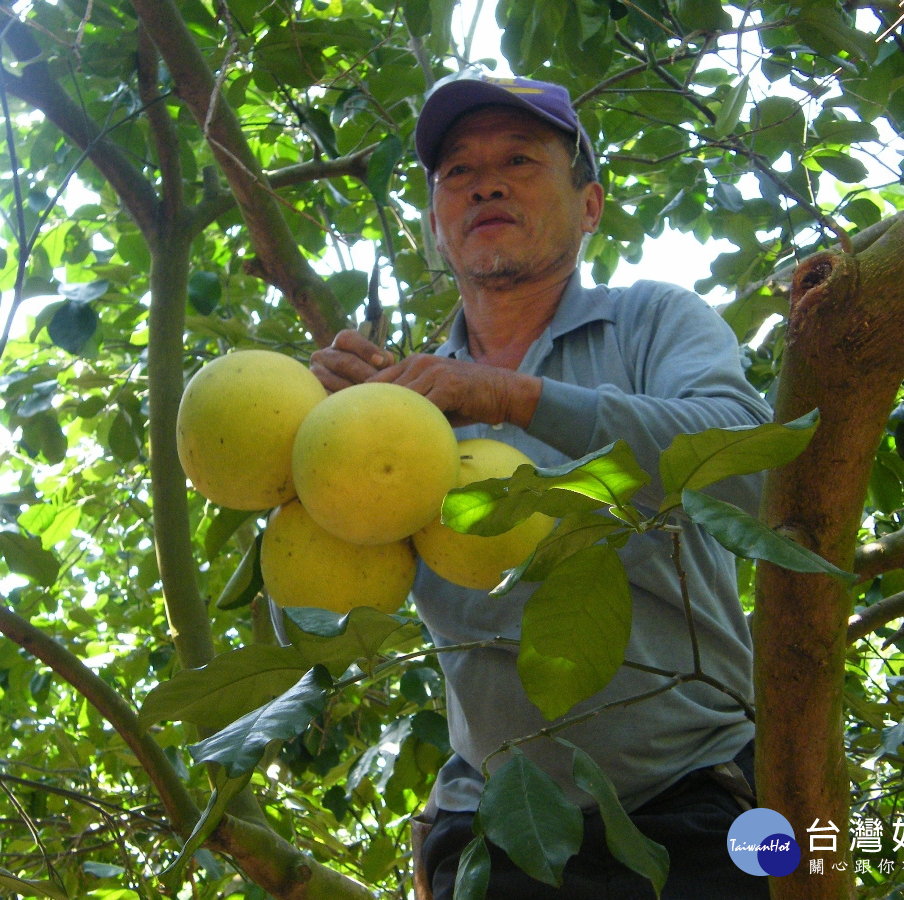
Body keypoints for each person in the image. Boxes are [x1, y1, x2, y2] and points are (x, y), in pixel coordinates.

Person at [309, 71, 774, 900]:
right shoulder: (399, 413)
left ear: (589, 205)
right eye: (458, 171)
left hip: (698, 804)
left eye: (521, 159)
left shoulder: (654, 322)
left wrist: (509, 397)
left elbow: (755, 472)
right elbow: (320, 620)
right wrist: (308, 470)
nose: (486, 181)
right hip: (498, 832)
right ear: (436, 232)